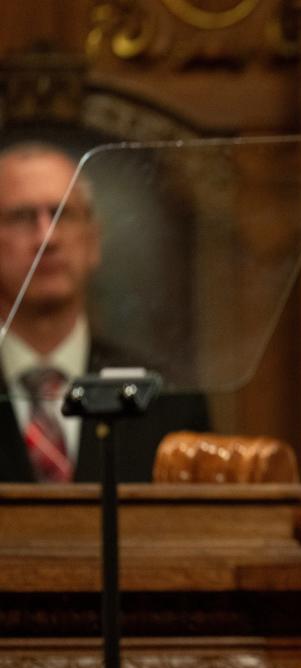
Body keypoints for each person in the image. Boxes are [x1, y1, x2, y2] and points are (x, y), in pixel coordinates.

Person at [0, 141, 209, 483]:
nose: (47, 237)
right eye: (22, 217)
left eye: (62, 214)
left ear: (92, 240)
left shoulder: (168, 400)